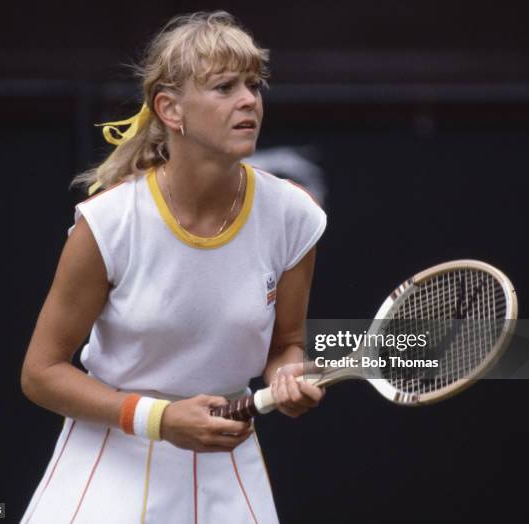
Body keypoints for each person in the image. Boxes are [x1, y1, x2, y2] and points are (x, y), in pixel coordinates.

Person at [20, 11, 327, 524]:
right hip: (109, 461)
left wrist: (289, 375)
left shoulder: (293, 215)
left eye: (253, 85)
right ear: (170, 108)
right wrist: (158, 419)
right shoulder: (108, 222)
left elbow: (285, 343)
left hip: (230, 468)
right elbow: (40, 373)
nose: (249, 100)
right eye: (225, 87)